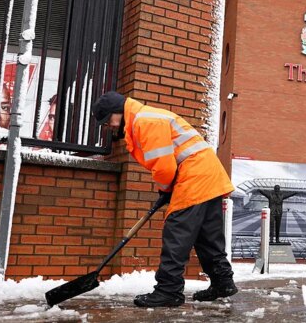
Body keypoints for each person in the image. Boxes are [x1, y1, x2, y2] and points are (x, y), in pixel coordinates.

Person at [92, 91, 237, 308]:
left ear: (118, 112)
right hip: (209, 176)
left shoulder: (144, 122)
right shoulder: (146, 117)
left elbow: (164, 166)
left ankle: (168, 290)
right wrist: (167, 189)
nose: (109, 127)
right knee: (207, 235)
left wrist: (165, 188)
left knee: (176, 233)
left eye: (108, 121)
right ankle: (222, 282)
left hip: (194, 177)